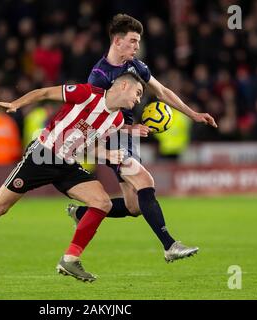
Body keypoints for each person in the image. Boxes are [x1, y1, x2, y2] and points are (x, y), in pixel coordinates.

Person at [0, 72, 145, 282]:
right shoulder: (87, 94)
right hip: (42, 155)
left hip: (66, 163)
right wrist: (17, 103)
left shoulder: (115, 121)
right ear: (124, 85)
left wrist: (107, 153)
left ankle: (70, 259)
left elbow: (87, 144)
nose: (138, 99)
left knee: (102, 202)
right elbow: (45, 92)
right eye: (138, 93)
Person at [67, 14, 218, 262]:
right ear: (117, 41)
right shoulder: (99, 76)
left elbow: (161, 91)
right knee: (145, 181)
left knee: (134, 206)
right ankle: (170, 245)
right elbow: (95, 119)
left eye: (138, 42)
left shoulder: (135, 66)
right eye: (133, 41)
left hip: (127, 137)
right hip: (112, 139)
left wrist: (193, 113)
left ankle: (82, 213)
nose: (137, 47)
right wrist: (128, 130)